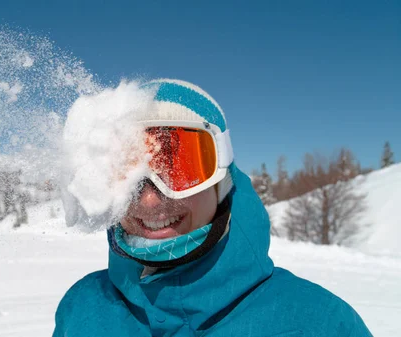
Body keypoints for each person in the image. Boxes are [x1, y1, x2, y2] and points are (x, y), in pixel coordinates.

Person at [53, 79, 372, 336]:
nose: (150, 200)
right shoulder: (81, 309)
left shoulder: (319, 323)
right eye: (125, 173)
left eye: (181, 170)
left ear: (222, 182)